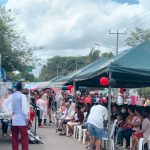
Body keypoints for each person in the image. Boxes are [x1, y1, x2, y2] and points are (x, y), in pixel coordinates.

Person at [11, 82, 29, 150]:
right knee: (24, 137)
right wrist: (27, 118)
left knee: (14, 137)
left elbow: (6, 104)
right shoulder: (22, 96)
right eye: (24, 87)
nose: (25, 88)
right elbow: (24, 109)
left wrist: (10, 112)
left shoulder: (12, 95)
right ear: (22, 88)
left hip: (14, 118)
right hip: (21, 119)